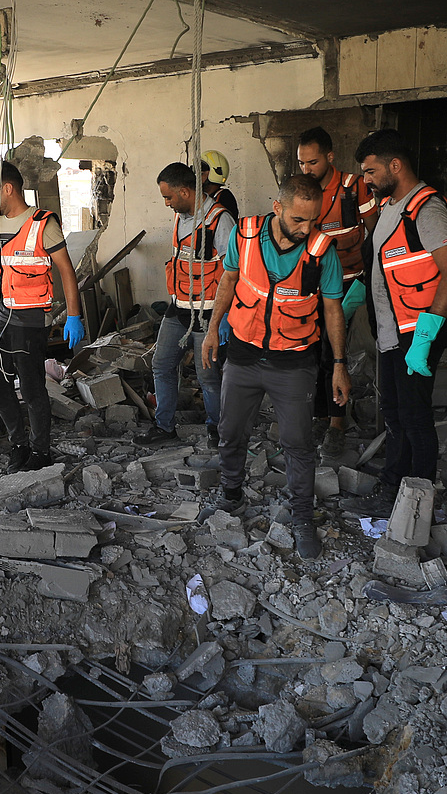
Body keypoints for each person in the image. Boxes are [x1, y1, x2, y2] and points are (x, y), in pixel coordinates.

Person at [198, 173, 350, 559]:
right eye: (298, 219)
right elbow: (228, 280)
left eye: (312, 220)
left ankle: (302, 517)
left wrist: (338, 364)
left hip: (294, 362)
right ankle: (231, 495)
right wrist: (212, 330)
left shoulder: (321, 252)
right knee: (230, 432)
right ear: (278, 207)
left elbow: (333, 309)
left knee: (298, 444)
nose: (306, 228)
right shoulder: (245, 236)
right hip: (244, 355)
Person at [342, 128, 447, 517]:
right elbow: (383, 266)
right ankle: (393, 482)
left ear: (395, 166)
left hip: (417, 332)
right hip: (393, 332)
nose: (366, 180)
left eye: (370, 171)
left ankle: (419, 498)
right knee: (394, 412)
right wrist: (351, 302)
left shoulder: (425, 209)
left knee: (413, 414)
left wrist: (426, 337)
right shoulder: (390, 208)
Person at [0, 160, 86, 472]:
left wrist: (74, 315)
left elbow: (66, 270)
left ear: (7, 189)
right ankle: (19, 444)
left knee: (32, 388)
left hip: (29, 318)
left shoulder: (42, 224)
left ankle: (41, 452)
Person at [140, 161, 233, 445]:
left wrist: (225, 317)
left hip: (207, 315)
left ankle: (218, 431)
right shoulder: (182, 218)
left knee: (208, 379)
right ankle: (165, 427)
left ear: (184, 191)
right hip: (178, 310)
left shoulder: (220, 220)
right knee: (161, 365)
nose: (166, 203)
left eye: (168, 197)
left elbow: (234, 272)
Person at [298, 127, 377, 457]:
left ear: (330, 157)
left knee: (335, 355)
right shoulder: (302, 191)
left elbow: (376, 233)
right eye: (302, 163)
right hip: (314, 286)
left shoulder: (352, 188)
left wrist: (373, 282)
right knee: (312, 354)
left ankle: (336, 424)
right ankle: (319, 415)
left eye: (313, 162)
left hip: (347, 285)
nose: (306, 170)